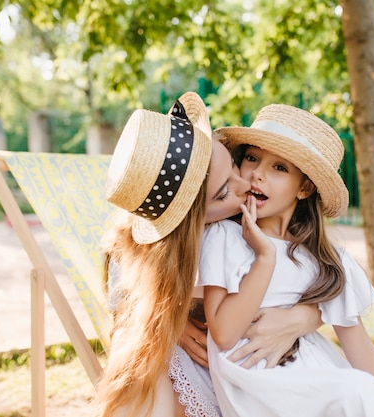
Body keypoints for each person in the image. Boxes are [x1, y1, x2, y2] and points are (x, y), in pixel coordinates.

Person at [198, 104, 374, 417]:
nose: (257, 173)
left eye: (279, 168)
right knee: (356, 393)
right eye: (252, 158)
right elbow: (224, 334)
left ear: (305, 187)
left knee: (367, 394)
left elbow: (359, 347)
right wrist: (264, 258)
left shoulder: (329, 261)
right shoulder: (225, 237)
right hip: (261, 389)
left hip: (318, 378)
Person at [96, 93, 321, 417]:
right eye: (224, 192)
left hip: (256, 364)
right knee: (148, 369)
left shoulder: (254, 220)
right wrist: (169, 324)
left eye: (232, 162)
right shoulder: (198, 236)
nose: (248, 181)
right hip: (198, 358)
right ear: (195, 219)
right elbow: (129, 294)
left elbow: (315, 281)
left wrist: (305, 316)